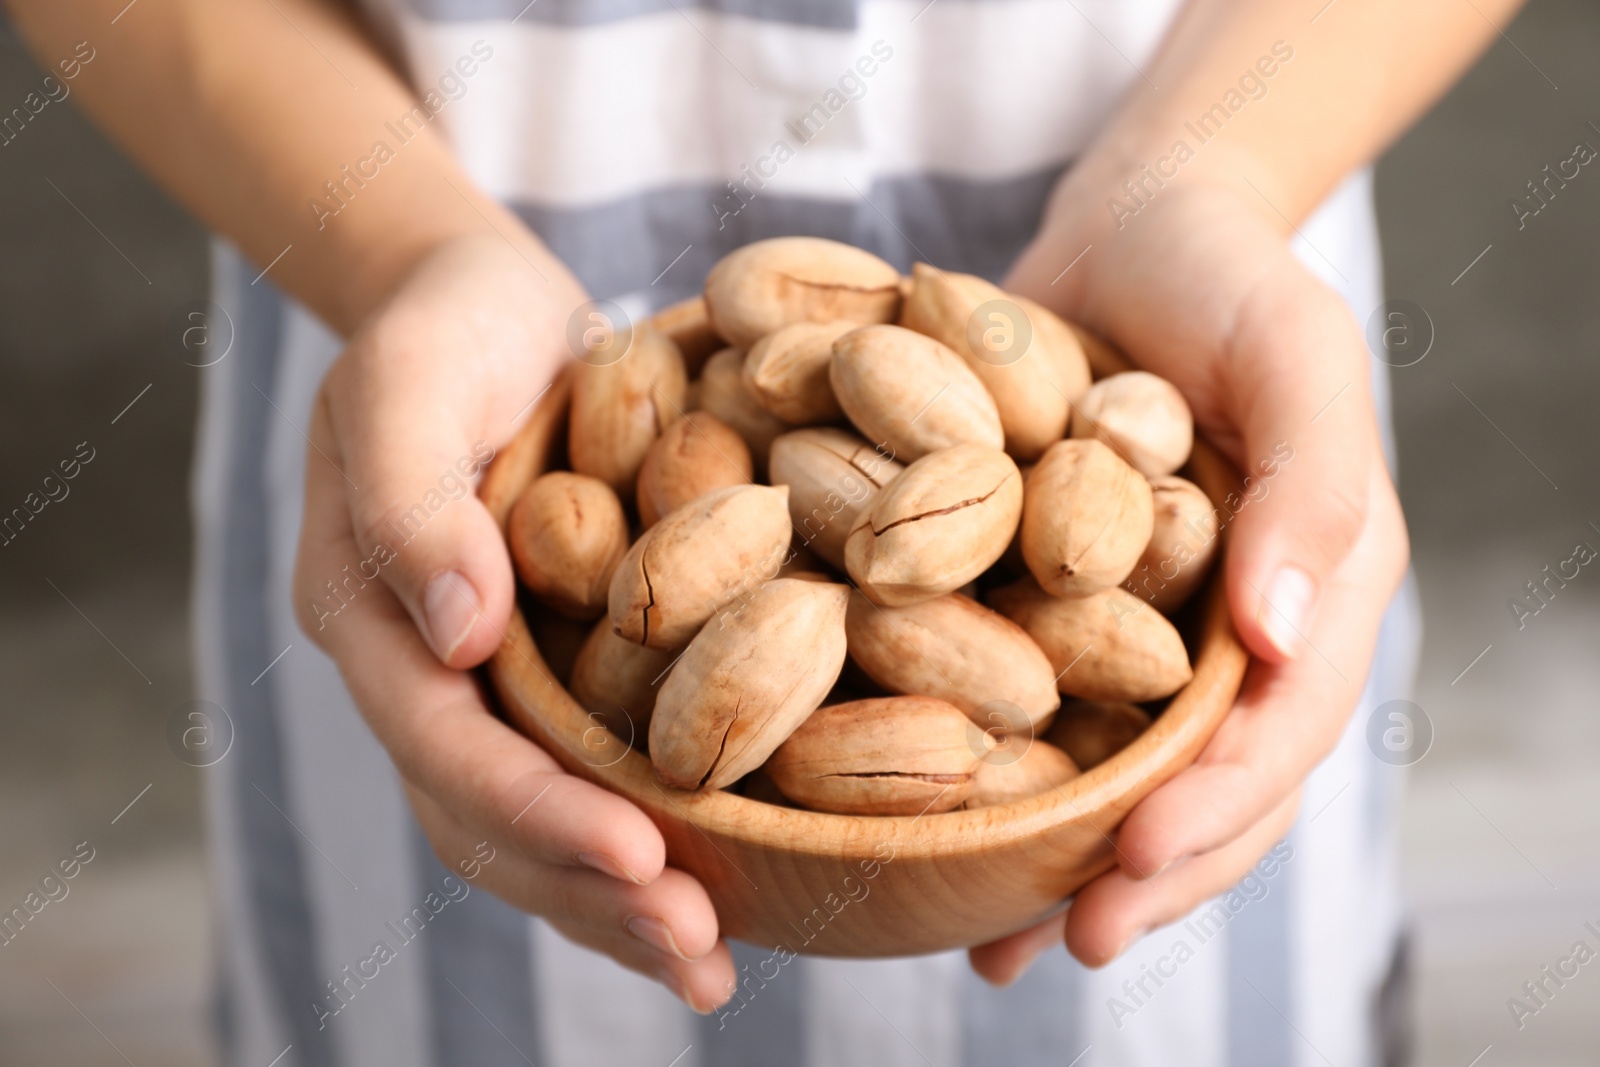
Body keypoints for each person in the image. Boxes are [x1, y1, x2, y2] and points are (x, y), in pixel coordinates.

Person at [7, 0, 1519, 1063]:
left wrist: (1213, 176)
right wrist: (402, 248)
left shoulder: (1080, 490)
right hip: (439, 408)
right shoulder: (647, 472)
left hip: (1190, 334)